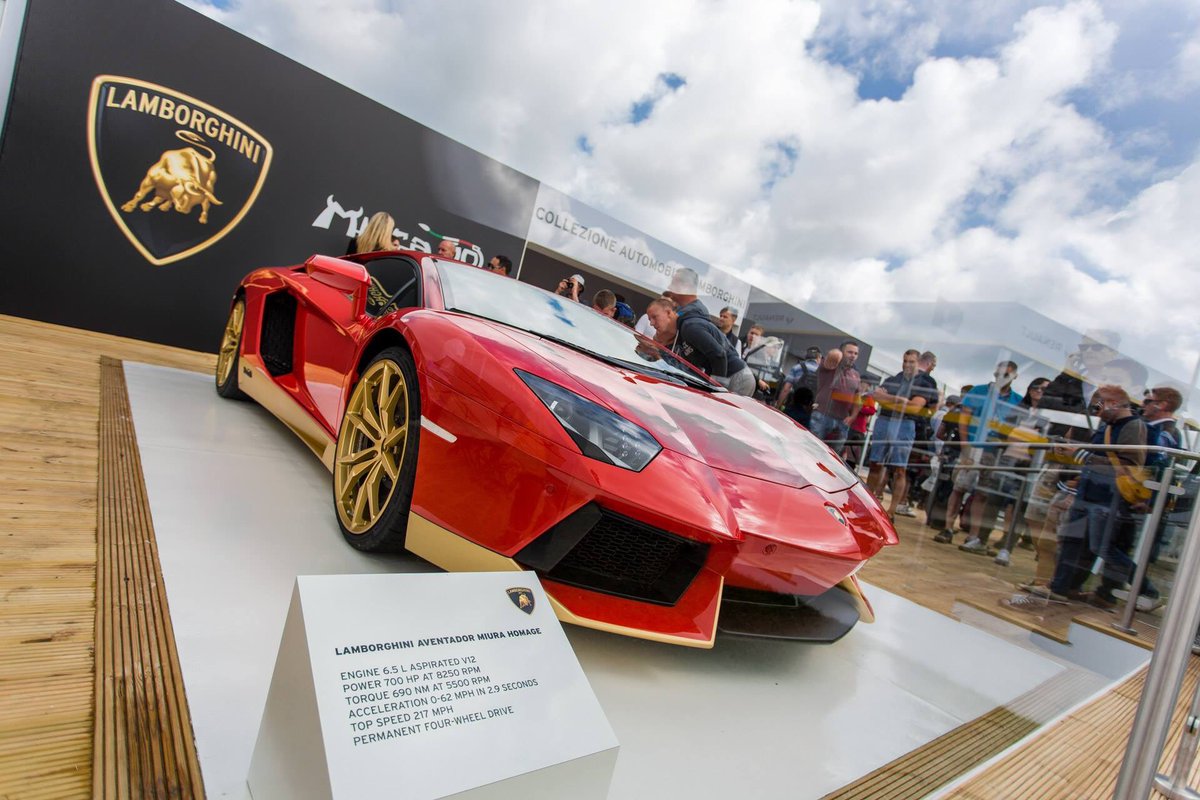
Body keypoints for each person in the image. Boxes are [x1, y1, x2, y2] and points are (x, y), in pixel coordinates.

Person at [1044, 385, 1148, 608]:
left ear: (1113, 403)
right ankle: (1059, 587)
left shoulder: (1132, 426)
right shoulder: (1109, 426)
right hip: (1090, 491)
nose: (1096, 412)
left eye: (1098, 407)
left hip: (1109, 496)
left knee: (1101, 547)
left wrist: (1082, 455)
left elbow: (1129, 465)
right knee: (1073, 541)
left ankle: (1146, 589)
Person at [941, 362, 1023, 549]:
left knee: (982, 494)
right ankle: (948, 528)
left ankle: (973, 536)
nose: (1002, 377)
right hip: (974, 447)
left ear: (1014, 377)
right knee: (959, 488)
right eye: (999, 373)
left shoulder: (1017, 400)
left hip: (995, 452)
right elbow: (964, 420)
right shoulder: (978, 391)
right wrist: (965, 446)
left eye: (1007, 374)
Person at [651, 269, 755, 396]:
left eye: (674, 283)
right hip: (732, 374)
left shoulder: (690, 325)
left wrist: (715, 389)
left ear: (685, 286)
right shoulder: (688, 317)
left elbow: (719, 355)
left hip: (736, 377)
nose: (669, 287)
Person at [866, 350, 938, 520]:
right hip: (885, 421)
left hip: (905, 425)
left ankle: (891, 511)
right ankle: (869, 504)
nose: (907, 364)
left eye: (911, 361)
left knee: (899, 469)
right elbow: (877, 397)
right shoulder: (893, 379)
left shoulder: (924, 382)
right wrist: (900, 400)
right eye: (905, 361)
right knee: (875, 464)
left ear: (918, 362)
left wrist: (888, 398)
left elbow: (914, 407)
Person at [810, 340, 862, 454]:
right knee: (813, 451)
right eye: (850, 352)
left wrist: (853, 416)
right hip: (822, 415)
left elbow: (858, 398)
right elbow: (832, 356)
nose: (853, 356)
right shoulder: (831, 366)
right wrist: (837, 353)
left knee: (833, 456)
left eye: (856, 353)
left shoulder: (856, 374)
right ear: (842, 352)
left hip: (842, 421)